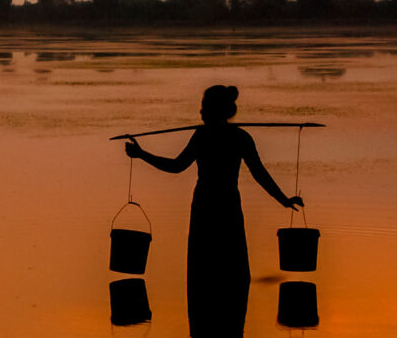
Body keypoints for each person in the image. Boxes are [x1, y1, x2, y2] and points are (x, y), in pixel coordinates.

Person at [124, 85, 303, 335]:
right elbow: (259, 174)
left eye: (204, 106)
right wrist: (282, 199)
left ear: (211, 110)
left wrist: (142, 155)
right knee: (227, 272)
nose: (200, 111)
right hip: (223, 205)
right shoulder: (237, 137)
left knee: (206, 274)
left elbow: (177, 167)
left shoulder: (206, 136)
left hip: (209, 206)